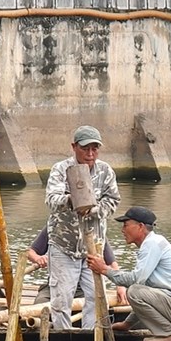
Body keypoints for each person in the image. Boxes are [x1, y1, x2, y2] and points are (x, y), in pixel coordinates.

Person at [88, 206, 171, 341]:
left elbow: (135, 282)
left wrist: (105, 270)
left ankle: (170, 333)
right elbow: (146, 296)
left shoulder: (152, 243)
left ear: (140, 226)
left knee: (134, 290)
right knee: (137, 290)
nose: (122, 230)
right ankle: (168, 332)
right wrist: (127, 324)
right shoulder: (151, 244)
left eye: (126, 225)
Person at [44, 125, 121, 330]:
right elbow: (51, 200)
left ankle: (89, 337)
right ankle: (65, 337)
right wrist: (72, 201)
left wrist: (93, 209)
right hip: (64, 246)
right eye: (85, 148)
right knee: (62, 300)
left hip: (93, 248)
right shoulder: (60, 169)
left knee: (96, 297)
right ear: (74, 147)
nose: (90, 154)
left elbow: (113, 201)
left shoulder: (105, 171)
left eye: (95, 149)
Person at [26, 226, 127, 308]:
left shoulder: (95, 230)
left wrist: (120, 286)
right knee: (40, 305)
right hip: (55, 286)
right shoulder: (55, 226)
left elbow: (112, 263)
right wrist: (38, 258)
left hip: (83, 289)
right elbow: (30, 252)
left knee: (94, 306)